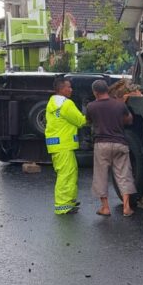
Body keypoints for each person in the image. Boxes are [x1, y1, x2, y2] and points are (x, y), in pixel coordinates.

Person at [85, 79, 136, 217]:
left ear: (95, 92)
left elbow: (89, 121)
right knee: (124, 175)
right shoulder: (119, 105)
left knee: (100, 176)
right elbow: (129, 120)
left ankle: (105, 208)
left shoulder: (91, 106)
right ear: (107, 90)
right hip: (120, 143)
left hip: (101, 144)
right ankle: (126, 207)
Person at [45, 77, 86, 215]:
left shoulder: (52, 102)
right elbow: (80, 121)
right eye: (69, 87)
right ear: (61, 89)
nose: (71, 89)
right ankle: (63, 206)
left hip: (57, 144)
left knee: (68, 173)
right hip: (64, 144)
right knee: (66, 175)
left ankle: (69, 201)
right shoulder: (66, 104)